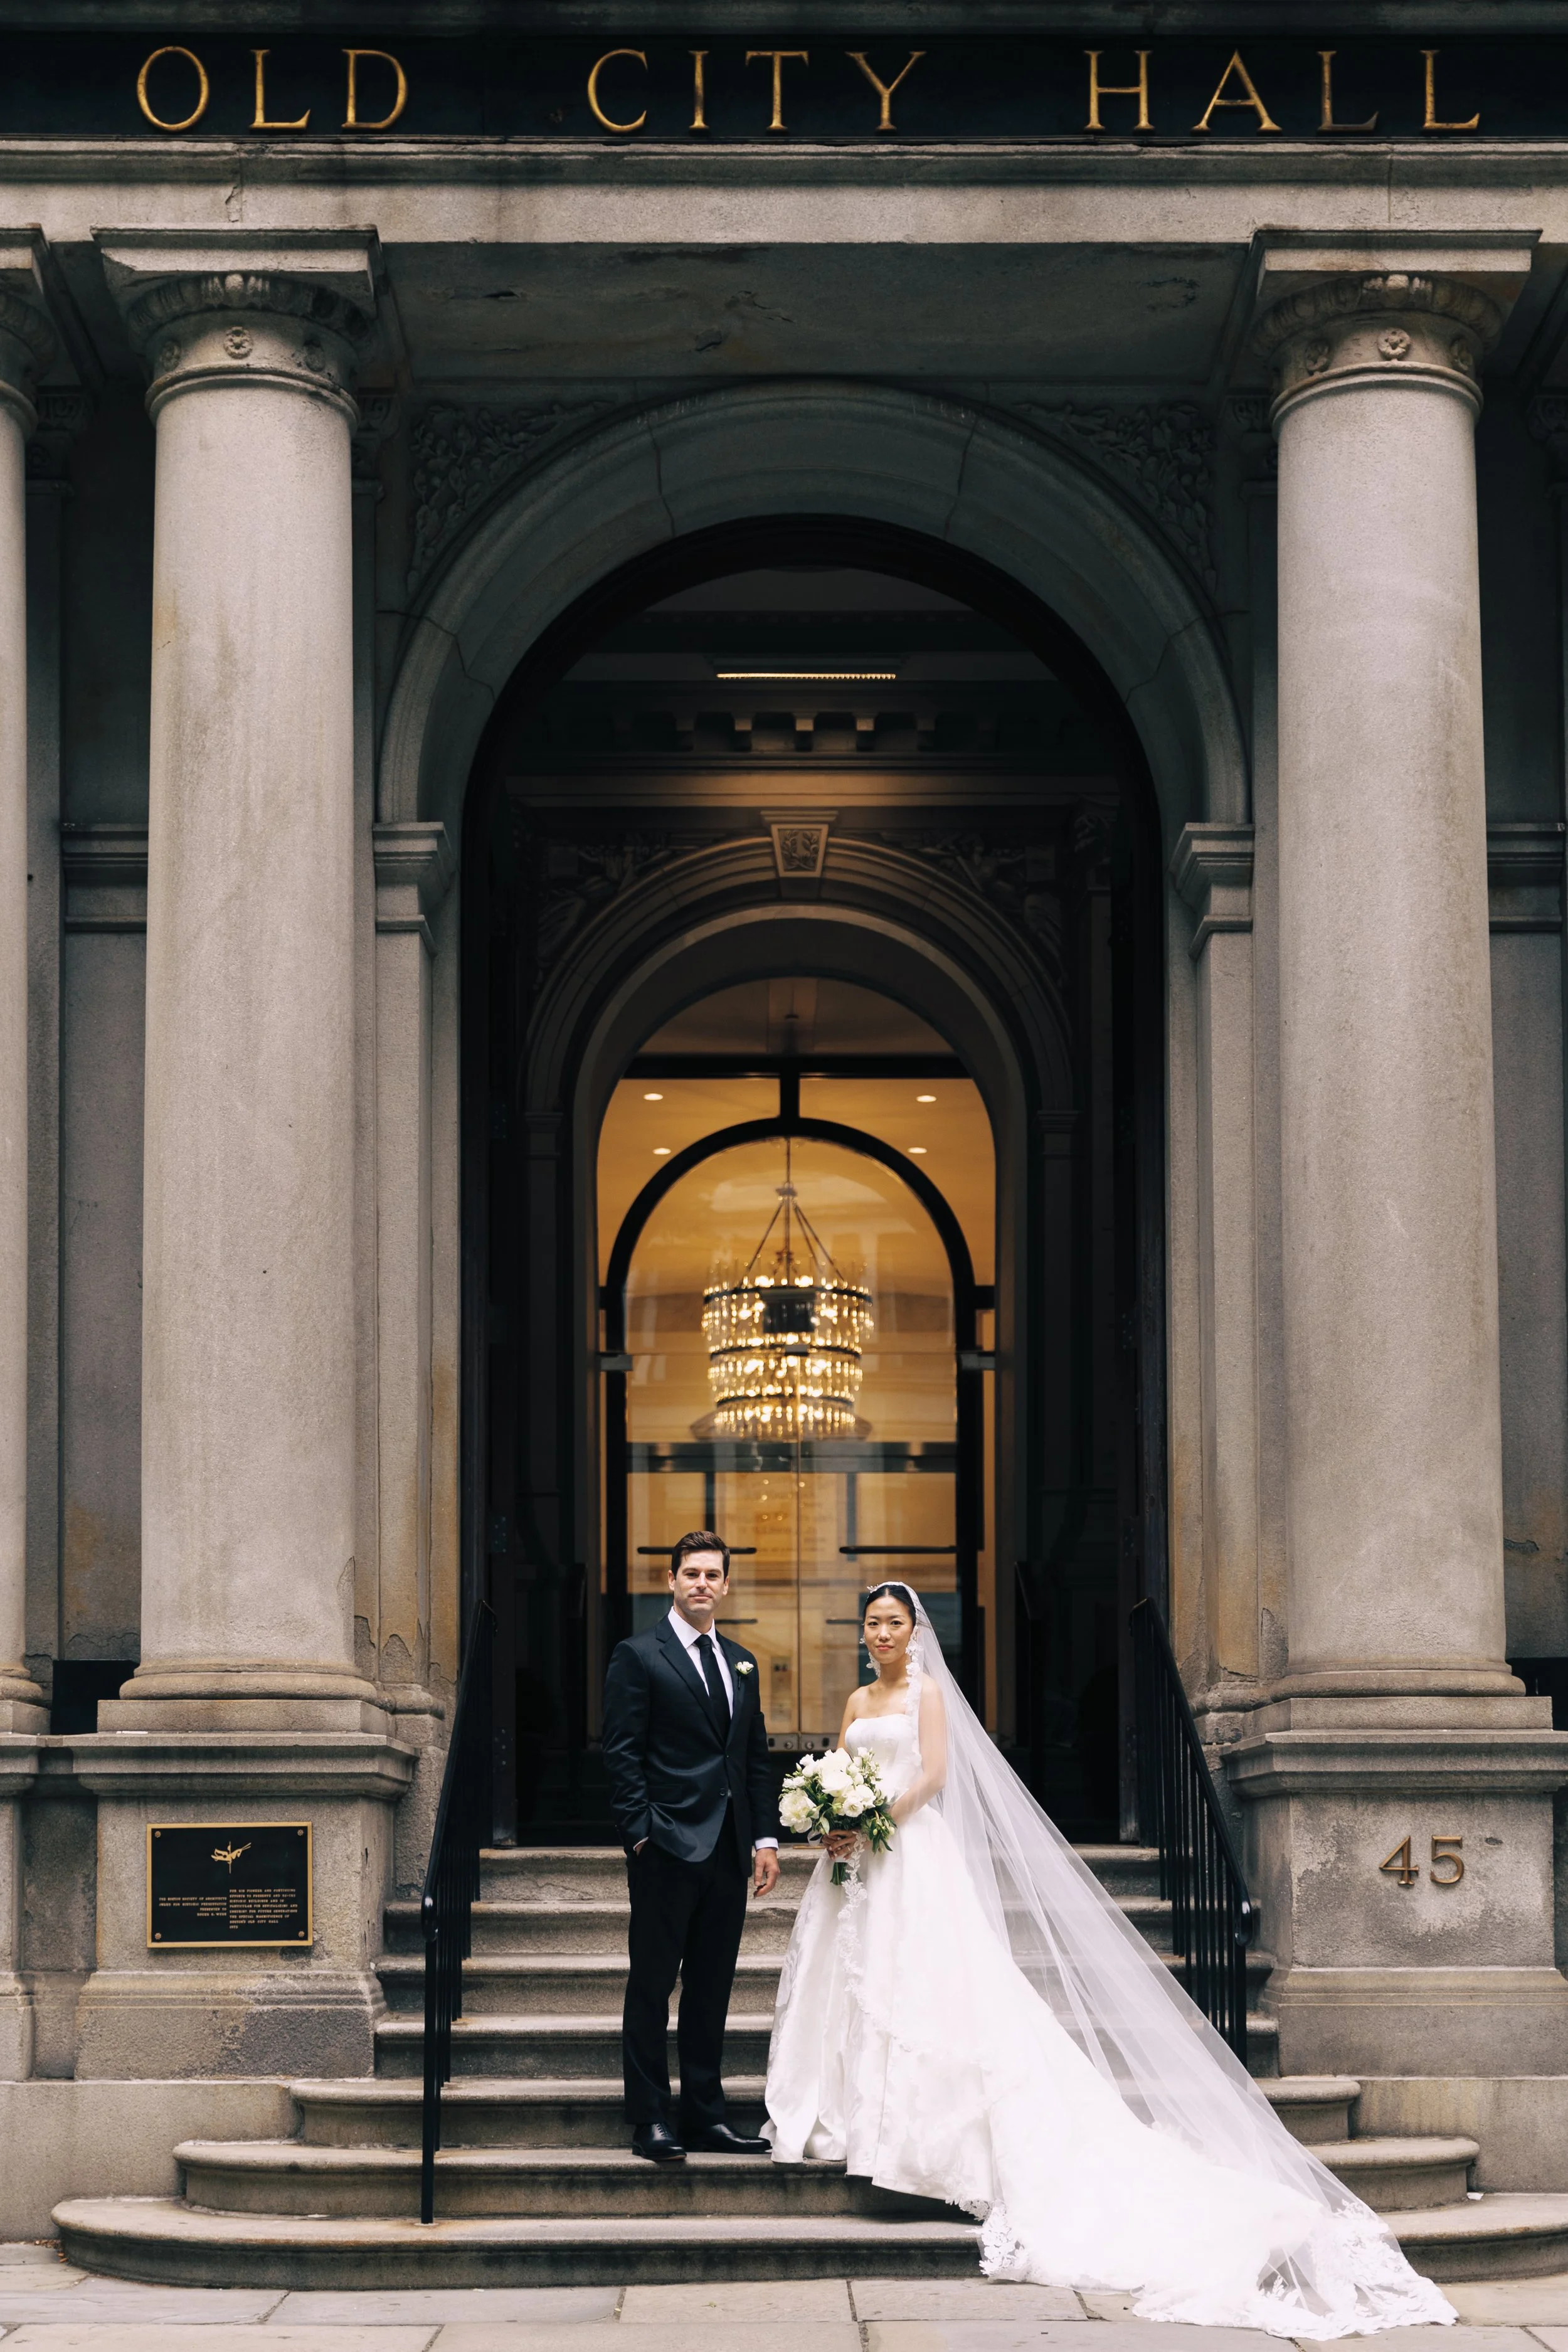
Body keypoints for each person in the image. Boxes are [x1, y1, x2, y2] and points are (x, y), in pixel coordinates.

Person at [765, 1581, 1457, 2338]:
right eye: (872, 1623)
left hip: (907, 1853)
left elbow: (930, 1777)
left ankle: (918, 2137)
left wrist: (870, 1822)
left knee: (924, 1987)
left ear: (915, 1631)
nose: (881, 1634)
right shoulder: (859, 1700)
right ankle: (850, 2119)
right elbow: (835, 1765)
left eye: (893, 1622)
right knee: (855, 1984)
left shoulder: (926, 1693)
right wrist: (831, 1820)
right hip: (857, 1868)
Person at [602, 1530, 781, 2164]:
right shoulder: (638, 1655)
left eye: (712, 1575)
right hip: (667, 1847)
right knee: (652, 1985)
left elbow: (752, 1757)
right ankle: (650, 2118)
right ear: (671, 1582)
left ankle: (705, 2115)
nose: (702, 1584)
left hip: (729, 1852)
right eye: (691, 1574)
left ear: (726, 1586)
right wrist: (641, 1834)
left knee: (712, 1989)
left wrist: (764, 1838)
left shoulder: (742, 1661)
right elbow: (621, 1752)